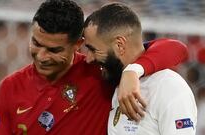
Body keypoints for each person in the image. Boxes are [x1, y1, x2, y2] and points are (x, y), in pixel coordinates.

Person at [0, 0, 188, 134]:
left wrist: (132, 71)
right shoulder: (11, 88)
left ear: (78, 44)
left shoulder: (99, 72)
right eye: (36, 43)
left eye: (54, 50)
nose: (41, 56)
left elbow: (176, 48)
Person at [83, 2, 197, 135]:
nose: (88, 58)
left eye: (93, 50)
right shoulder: (115, 80)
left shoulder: (169, 88)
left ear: (120, 45)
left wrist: (133, 70)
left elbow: (178, 48)